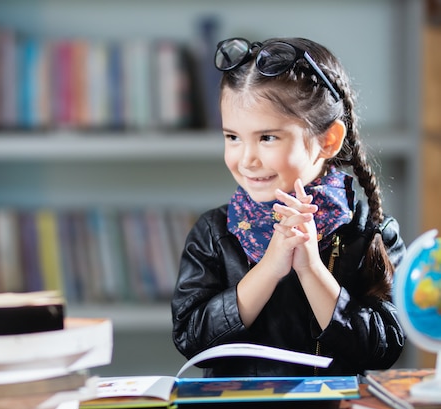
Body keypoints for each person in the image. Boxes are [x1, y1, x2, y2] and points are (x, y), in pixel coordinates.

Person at [171, 37, 406, 377]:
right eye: (232, 137)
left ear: (328, 140)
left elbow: (383, 348)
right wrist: (269, 268)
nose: (247, 159)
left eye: (267, 137)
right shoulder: (214, 232)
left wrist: (311, 267)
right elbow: (192, 340)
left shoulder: (368, 231)